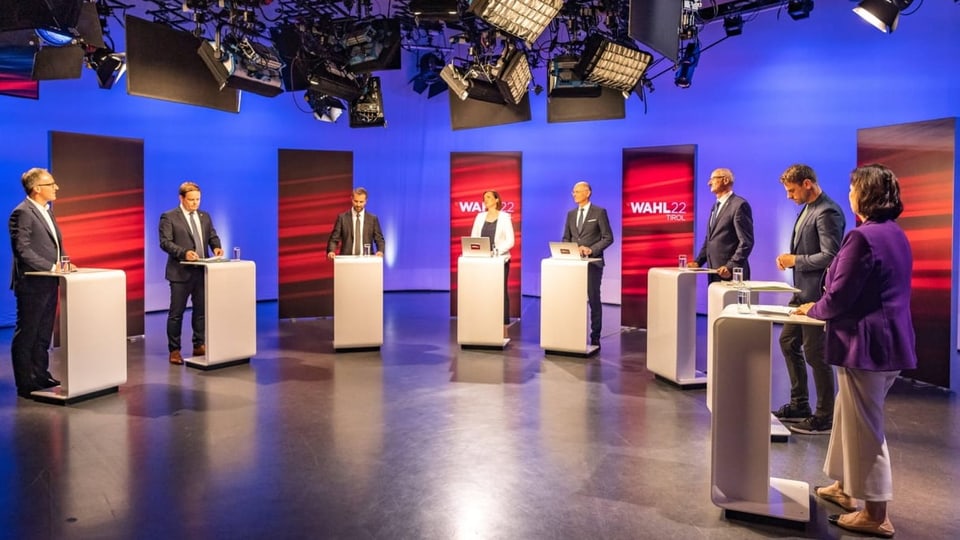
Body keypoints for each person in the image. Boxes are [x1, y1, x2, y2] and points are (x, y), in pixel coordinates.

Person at [793, 164, 915, 538]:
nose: (849, 194)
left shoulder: (863, 237)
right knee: (850, 415)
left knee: (865, 426)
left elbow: (841, 294)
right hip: (886, 341)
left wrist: (812, 309)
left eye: (852, 189)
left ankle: (876, 514)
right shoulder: (894, 234)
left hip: (866, 344)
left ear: (866, 194)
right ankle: (845, 488)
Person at [773, 164, 846, 434]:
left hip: (816, 297)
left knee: (816, 354)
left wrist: (796, 260)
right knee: (788, 342)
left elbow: (831, 256)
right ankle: (800, 404)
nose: (789, 196)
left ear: (807, 184)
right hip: (800, 294)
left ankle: (825, 416)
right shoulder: (807, 209)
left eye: (792, 190)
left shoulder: (827, 211)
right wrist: (792, 260)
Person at [8, 168, 74, 397]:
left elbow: (55, 244)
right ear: (37, 188)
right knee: (28, 332)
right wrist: (49, 267)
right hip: (32, 284)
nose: (56, 188)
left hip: (49, 282)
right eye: (51, 184)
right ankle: (25, 381)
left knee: (44, 332)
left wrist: (65, 263)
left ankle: (41, 374)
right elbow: (22, 249)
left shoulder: (47, 211)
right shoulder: (22, 212)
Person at [159, 181, 223, 365]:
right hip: (180, 273)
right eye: (191, 200)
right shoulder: (169, 217)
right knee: (176, 313)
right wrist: (184, 253)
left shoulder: (204, 216)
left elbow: (212, 235)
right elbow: (165, 242)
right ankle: (175, 350)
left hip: (201, 271)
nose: (195, 203)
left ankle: (199, 344)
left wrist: (217, 247)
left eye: (198, 199)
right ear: (181, 198)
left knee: (200, 311)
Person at [562, 181, 613, 347]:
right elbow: (566, 238)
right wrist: (570, 249)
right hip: (574, 265)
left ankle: (595, 335)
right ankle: (572, 333)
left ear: (587, 192)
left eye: (577, 191)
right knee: (572, 299)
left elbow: (608, 237)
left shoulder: (599, 212)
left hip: (593, 263)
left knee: (593, 299)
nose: (574, 194)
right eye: (573, 192)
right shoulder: (570, 214)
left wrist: (591, 250)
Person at [690, 168, 754, 282]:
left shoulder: (739, 205)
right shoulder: (715, 207)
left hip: (731, 274)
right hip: (714, 272)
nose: (709, 183)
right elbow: (710, 240)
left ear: (725, 180)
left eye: (713, 179)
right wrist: (698, 262)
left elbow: (746, 242)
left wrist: (731, 266)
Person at [470, 190, 515, 329]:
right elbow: (474, 237)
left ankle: (503, 325)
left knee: (500, 291)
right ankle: (484, 321)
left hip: (499, 260)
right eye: (484, 198)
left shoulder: (505, 217)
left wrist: (495, 251)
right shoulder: (479, 217)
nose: (486, 200)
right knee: (483, 291)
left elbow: (510, 241)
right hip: (482, 261)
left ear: (496, 200)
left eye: (489, 197)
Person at [326, 187, 385, 258]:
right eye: (356, 201)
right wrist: (331, 251)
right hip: (347, 259)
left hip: (367, 260)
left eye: (361, 202)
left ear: (366, 201)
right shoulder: (342, 218)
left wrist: (380, 251)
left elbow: (379, 239)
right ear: (351, 199)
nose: (358, 205)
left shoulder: (372, 219)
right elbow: (334, 239)